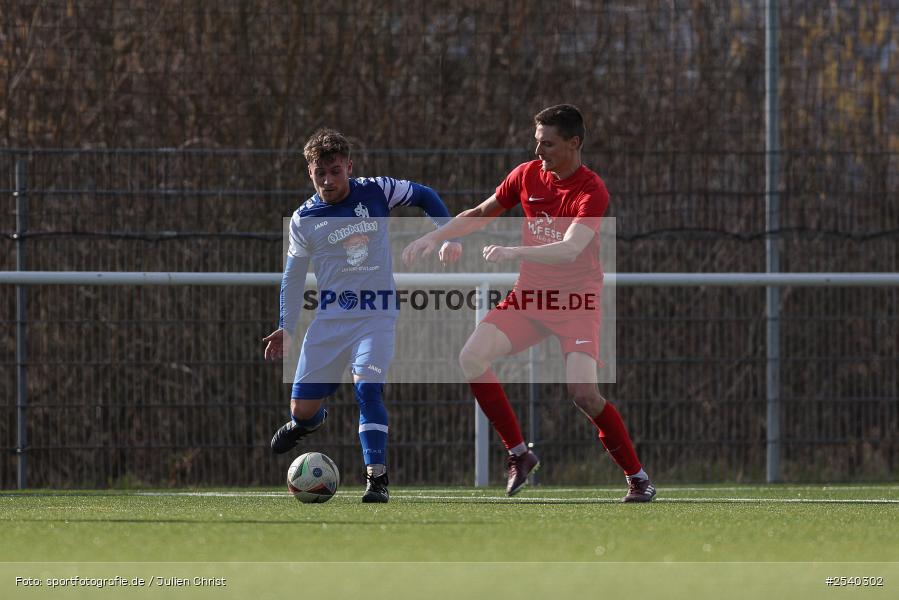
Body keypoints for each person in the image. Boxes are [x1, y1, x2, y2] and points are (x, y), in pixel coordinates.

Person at [402, 104, 656, 502]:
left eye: (548, 144)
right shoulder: (526, 175)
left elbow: (571, 248)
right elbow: (481, 212)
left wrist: (513, 251)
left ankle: (638, 478)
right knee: (471, 357)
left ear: (574, 143)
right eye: (537, 142)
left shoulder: (592, 190)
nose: (539, 151)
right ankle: (520, 455)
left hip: (576, 302)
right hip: (530, 298)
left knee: (584, 394)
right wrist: (434, 236)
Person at [264, 128, 459, 503]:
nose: (328, 180)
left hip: (376, 314)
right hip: (329, 321)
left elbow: (425, 195)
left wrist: (447, 234)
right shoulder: (304, 218)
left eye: (335, 171)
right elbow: (292, 277)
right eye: (320, 173)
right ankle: (307, 423)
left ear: (349, 167)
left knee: (368, 388)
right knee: (302, 410)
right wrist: (285, 326)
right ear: (310, 173)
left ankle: (377, 478)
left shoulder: (377, 190)